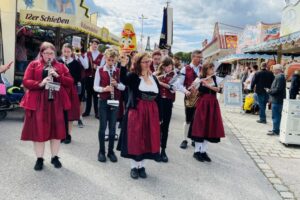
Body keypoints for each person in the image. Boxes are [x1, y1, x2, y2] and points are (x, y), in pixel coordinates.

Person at [20, 42, 73, 171]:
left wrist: (58, 76)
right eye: (46, 53)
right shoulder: (33, 65)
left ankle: (54, 157)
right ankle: (39, 159)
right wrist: (41, 82)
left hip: (56, 102)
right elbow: (26, 81)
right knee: (39, 130)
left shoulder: (60, 66)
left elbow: (70, 81)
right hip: (39, 102)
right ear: (41, 53)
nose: (49, 56)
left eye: (51, 53)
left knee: (56, 131)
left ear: (54, 54)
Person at [117, 52, 161, 179]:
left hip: (152, 112)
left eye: (149, 61)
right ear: (138, 63)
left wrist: (160, 116)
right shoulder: (134, 76)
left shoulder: (154, 78)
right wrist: (123, 66)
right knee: (136, 138)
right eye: (145, 62)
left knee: (147, 138)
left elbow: (158, 100)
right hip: (137, 111)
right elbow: (123, 80)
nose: (148, 64)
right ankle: (133, 167)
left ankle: (142, 166)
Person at [94, 48, 125, 163]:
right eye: (108, 60)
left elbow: (123, 87)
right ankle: (101, 151)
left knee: (112, 128)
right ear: (105, 58)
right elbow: (95, 87)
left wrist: (117, 84)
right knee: (102, 127)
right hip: (103, 101)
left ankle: (110, 151)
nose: (110, 62)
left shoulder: (117, 71)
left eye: (112, 60)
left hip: (114, 101)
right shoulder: (100, 70)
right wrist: (104, 89)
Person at [189, 62, 225, 162]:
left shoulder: (215, 78)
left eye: (213, 69)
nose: (213, 71)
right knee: (200, 127)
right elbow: (193, 91)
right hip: (203, 104)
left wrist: (207, 85)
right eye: (210, 69)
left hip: (213, 104)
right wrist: (193, 88)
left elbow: (219, 90)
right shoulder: (199, 79)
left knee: (209, 127)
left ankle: (203, 151)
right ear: (206, 70)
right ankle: (197, 152)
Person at [173, 50, 202, 149]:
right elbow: (178, 84)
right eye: (198, 57)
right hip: (189, 97)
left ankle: (194, 138)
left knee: (197, 119)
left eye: (201, 57)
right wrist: (186, 91)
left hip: (200, 97)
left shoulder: (203, 69)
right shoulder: (185, 69)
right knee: (188, 119)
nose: (200, 59)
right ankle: (184, 139)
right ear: (193, 57)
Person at [58, 43, 81, 144]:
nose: (66, 53)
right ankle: (61, 134)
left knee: (69, 113)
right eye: (65, 51)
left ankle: (68, 134)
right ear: (62, 51)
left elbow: (78, 78)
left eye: (68, 51)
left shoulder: (76, 63)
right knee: (60, 113)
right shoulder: (58, 61)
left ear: (71, 52)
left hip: (70, 90)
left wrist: (67, 78)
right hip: (59, 89)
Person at [154, 56, 176, 162]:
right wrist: (156, 79)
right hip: (157, 103)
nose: (169, 69)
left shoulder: (175, 76)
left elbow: (173, 89)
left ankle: (163, 150)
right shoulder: (155, 74)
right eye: (167, 67)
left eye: (170, 67)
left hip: (167, 102)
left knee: (165, 127)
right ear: (162, 66)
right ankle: (155, 150)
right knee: (157, 126)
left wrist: (161, 83)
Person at [83, 39, 103, 118]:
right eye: (93, 44)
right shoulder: (86, 54)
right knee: (88, 95)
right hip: (88, 77)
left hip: (96, 78)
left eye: (96, 44)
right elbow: (85, 65)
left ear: (98, 46)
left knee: (96, 96)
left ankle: (96, 112)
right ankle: (87, 111)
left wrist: (96, 67)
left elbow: (102, 67)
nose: (94, 46)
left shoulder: (102, 56)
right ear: (90, 45)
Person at [266, 64, 286, 136]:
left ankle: (276, 130)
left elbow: (278, 89)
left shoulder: (280, 77)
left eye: (274, 69)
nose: (273, 71)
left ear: (278, 70)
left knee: (276, 116)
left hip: (277, 100)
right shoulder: (280, 76)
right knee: (275, 115)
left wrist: (269, 91)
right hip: (277, 99)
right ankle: (275, 129)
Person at [76, 45, 89, 128]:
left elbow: (86, 66)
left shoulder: (84, 56)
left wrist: (79, 56)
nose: (77, 48)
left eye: (78, 47)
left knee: (80, 100)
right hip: (70, 80)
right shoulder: (69, 55)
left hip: (81, 80)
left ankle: (79, 118)